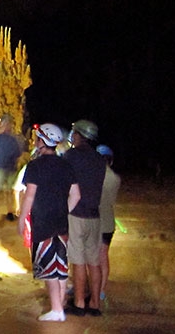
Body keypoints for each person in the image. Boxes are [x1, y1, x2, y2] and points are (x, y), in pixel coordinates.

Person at [18, 123, 81, 322]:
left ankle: (56, 310)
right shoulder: (66, 165)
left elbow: (29, 196)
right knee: (61, 266)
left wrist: (22, 219)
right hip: (61, 222)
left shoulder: (35, 166)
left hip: (42, 221)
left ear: (42, 142)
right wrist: (64, 210)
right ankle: (59, 305)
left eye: (37, 139)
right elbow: (76, 195)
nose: (35, 142)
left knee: (48, 268)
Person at [63, 119, 107, 317]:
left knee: (78, 261)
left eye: (74, 132)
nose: (72, 135)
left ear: (79, 135)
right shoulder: (99, 159)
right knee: (94, 262)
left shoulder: (70, 156)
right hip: (94, 216)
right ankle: (95, 304)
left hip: (76, 214)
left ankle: (80, 303)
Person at [0, 113, 22, 228]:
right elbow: (18, 155)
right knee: (9, 192)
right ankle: (10, 213)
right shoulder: (14, 140)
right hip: (11, 168)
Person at [97, 144, 121, 301]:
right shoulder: (115, 178)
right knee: (103, 256)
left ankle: (84, 286)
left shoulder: (91, 177)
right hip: (107, 222)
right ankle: (101, 289)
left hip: (92, 220)